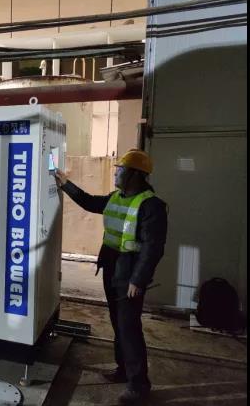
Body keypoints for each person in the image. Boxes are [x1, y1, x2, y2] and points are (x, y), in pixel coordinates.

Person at [55, 149, 167, 405]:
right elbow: (89, 202)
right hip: (112, 267)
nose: (116, 173)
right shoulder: (116, 197)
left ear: (136, 175)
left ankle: (139, 385)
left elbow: (153, 249)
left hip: (129, 274)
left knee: (129, 328)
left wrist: (138, 280)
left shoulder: (151, 206)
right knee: (118, 323)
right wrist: (65, 184)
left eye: (121, 170)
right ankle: (123, 370)